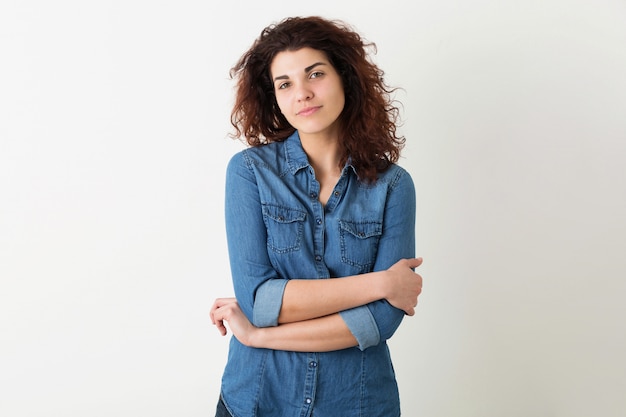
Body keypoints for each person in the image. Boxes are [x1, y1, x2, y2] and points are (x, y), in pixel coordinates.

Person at [210, 16, 423, 417]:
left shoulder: (393, 186)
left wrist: (258, 336)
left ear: (345, 77)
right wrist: (381, 282)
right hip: (257, 399)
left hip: (356, 404)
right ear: (273, 96)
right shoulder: (249, 173)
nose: (302, 93)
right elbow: (258, 301)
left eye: (315, 74)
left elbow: (379, 322)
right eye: (285, 83)